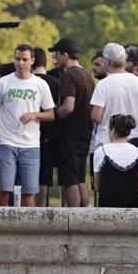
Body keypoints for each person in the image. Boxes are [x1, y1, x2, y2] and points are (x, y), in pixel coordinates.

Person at [0, 44, 56, 207]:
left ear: (32, 61)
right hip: (7, 142)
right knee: (4, 189)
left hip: (31, 144)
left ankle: (29, 229)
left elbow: (51, 114)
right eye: (17, 59)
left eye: (25, 59)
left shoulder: (40, 84)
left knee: (29, 191)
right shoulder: (3, 82)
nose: (21, 63)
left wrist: (35, 115)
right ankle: (0, 224)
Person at [90, 43, 138, 204]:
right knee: (137, 184)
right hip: (134, 137)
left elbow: (96, 116)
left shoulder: (103, 84)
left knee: (105, 185)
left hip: (107, 140)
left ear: (107, 61)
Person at [51, 37, 95, 207]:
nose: (55, 59)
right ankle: (84, 215)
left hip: (71, 134)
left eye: (57, 55)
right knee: (79, 178)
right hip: (85, 133)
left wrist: (53, 113)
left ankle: (74, 218)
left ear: (65, 54)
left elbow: (68, 107)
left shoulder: (69, 76)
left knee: (70, 180)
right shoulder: (87, 75)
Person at [93, 114, 138, 208]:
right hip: (133, 205)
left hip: (107, 205)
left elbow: (97, 186)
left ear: (113, 131)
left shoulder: (101, 151)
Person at [33, 47, 61, 206]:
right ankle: (42, 206)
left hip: (30, 133)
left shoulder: (29, 82)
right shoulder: (55, 83)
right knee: (45, 175)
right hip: (50, 134)